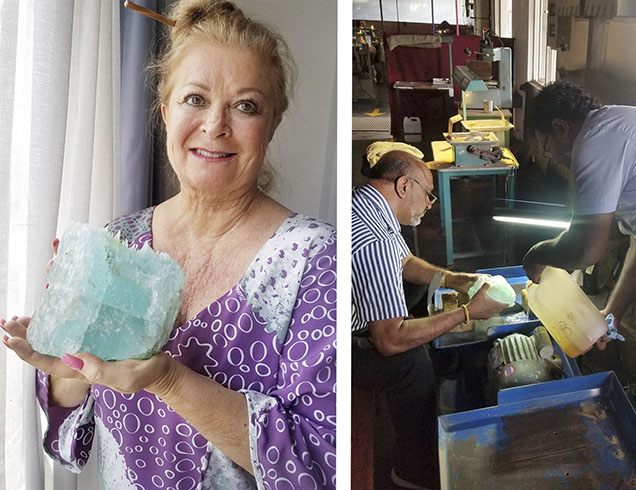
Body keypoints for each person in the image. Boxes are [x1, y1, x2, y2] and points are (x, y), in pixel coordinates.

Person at [1, 1, 336, 489]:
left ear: (272, 125)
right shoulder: (121, 242)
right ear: (164, 111)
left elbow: (319, 461)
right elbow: (74, 411)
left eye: (246, 106)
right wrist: (69, 360)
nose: (215, 125)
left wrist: (169, 381)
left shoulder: (314, 261)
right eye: (195, 99)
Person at [351, 145, 506, 490]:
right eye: (428, 193)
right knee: (410, 363)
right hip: (332, 347)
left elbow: (404, 262)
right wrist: (468, 312)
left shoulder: (367, 205)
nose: (430, 204)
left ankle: (432, 346)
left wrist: (453, 279)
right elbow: (389, 341)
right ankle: (412, 471)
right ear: (405, 186)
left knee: (421, 289)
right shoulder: (372, 240)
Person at [523, 80, 636, 348]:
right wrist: (612, 314)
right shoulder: (614, 126)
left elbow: (588, 249)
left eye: (548, 148)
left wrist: (538, 253)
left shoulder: (595, 139)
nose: (555, 158)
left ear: (560, 127)